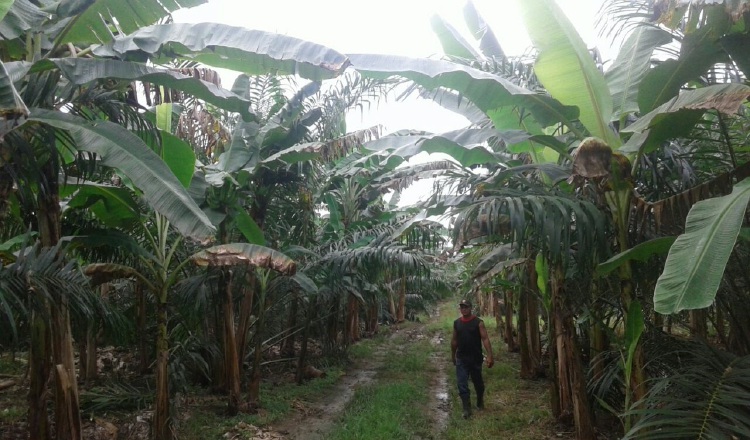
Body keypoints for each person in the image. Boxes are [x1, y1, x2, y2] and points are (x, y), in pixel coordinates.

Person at [451, 299, 494, 419]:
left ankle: (480, 401)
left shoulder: (478, 322)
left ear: (470, 308)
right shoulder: (457, 323)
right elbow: (454, 341)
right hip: (462, 358)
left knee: (478, 383)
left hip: (475, 358)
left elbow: (485, 339)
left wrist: (490, 355)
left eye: (466, 307)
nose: (464, 309)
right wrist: (453, 355)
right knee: (462, 384)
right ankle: (467, 409)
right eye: (462, 307)